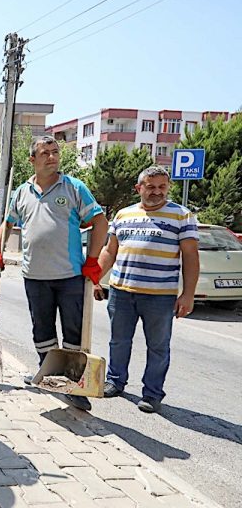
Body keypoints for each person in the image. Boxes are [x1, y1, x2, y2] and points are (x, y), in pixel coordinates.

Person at [0, 135, 108, 411]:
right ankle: (48, 375)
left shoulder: (73, 188)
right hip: (35, 277)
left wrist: (92, 260)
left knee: (73, 333)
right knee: (42, 331)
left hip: (69, 276)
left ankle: (74, 386)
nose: (53, 157)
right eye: (45, 153)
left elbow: (100, 223)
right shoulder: (21, 192)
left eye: (55, 152)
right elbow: (6, 225)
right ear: (32, 159)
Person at [94, 165, 199, 413]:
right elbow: (110, 251)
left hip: (160, 296)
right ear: (139, 188)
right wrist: (95, 278)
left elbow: (191, 256)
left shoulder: (182, 216)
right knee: (119, 341)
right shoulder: (123, 215)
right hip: (121, 291)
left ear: (168, 188)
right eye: (150, 187)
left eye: (162, 187)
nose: (157, 192)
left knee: (158, 346)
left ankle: (152, 394)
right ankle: (115, 381)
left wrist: (188, 294)